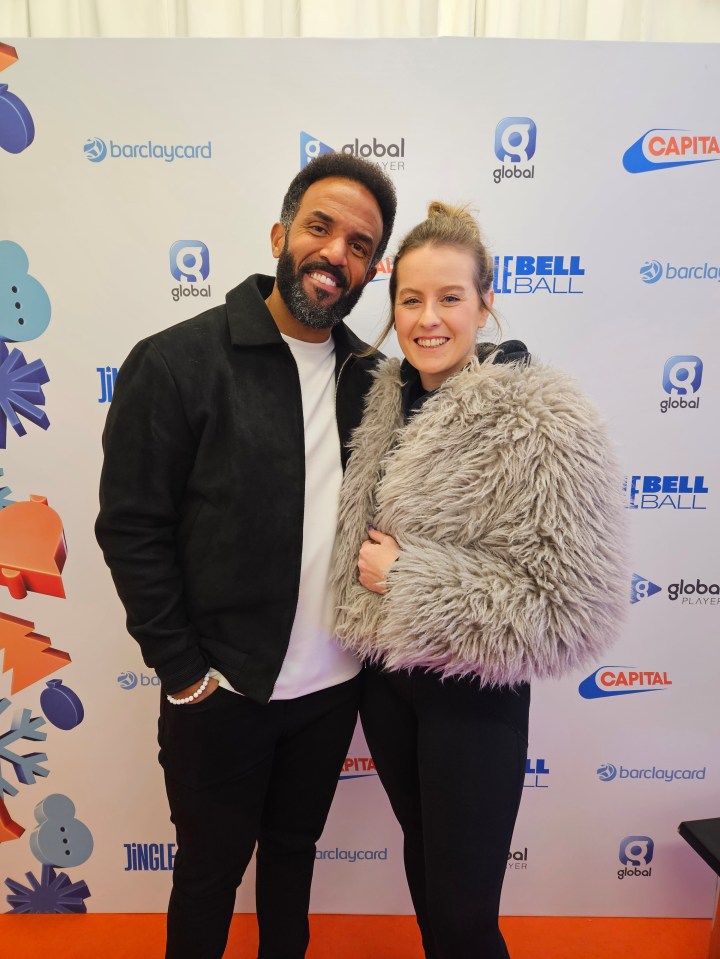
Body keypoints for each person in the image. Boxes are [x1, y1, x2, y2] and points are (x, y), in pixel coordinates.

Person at [95, 153, 397, 959]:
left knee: (292, 864)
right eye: (320, 227)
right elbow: (131, 527)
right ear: (280, 233)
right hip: (221, 692)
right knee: (207, 874)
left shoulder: (374, 380)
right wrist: (185, 672)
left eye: (360, 244)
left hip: (331, 692)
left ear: (373, 269)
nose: (337, 253)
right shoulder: (176, 361)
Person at [331, 202, 626, 959]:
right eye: (410, 299)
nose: (428, 319)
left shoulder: (542, 416)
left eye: (450, 297)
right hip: (387, 683)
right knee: (429, 874)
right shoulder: (385, 395)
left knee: (464, 917)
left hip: (474, 694)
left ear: (485, 302)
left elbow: (575, 607)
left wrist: (410, 577)